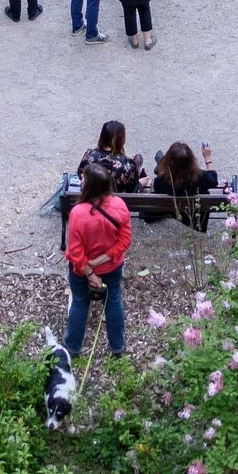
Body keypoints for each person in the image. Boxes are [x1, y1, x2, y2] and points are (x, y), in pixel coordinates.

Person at [64, 161, 131, 362]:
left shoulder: (78, 213)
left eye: (83, 179)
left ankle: (73, 349)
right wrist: (103, 259)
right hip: (111, 268)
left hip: (81, 271)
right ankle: (117, 348)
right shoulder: (119, 205)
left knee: (80, 303)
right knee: (113, 302)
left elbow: (75, 250)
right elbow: (125, 240)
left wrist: (90, 271)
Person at [77, 121, 142, 191]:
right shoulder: (127, 163)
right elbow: (132, 191)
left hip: (90, 199)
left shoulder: (89, 155)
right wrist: (140, 184)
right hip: (117, 201)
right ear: (122, 140)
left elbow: (80, 175)